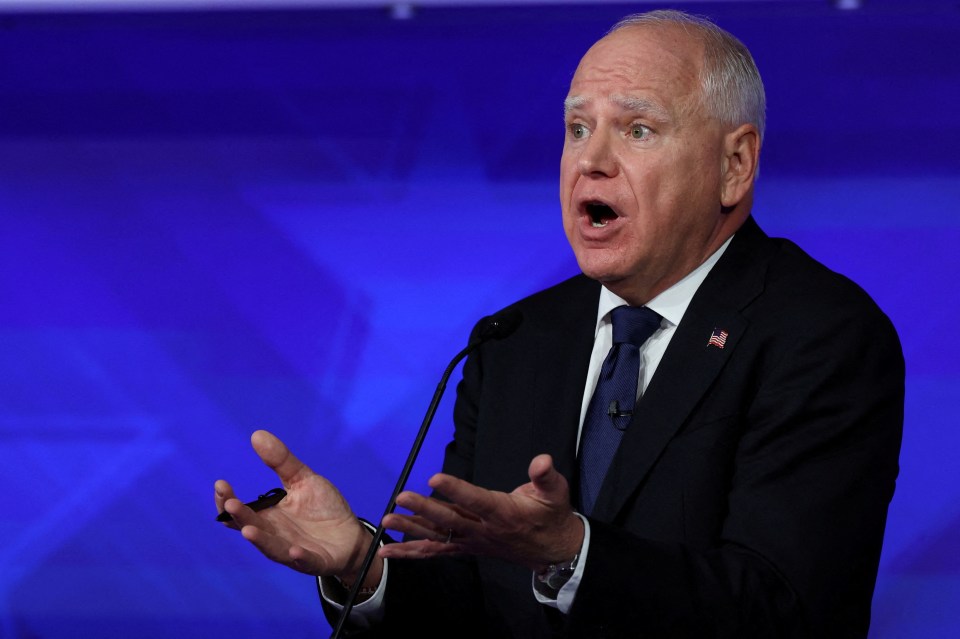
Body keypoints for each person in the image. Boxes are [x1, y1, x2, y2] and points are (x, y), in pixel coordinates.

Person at [214, 9, 904, 638]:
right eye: (578, 128)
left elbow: (785, 612)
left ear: (734, 164)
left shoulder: (822, 337)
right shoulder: (514, 342)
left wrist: (574, 554)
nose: (592, 161)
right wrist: (363, 564)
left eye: (638, 129)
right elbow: (474, 608)